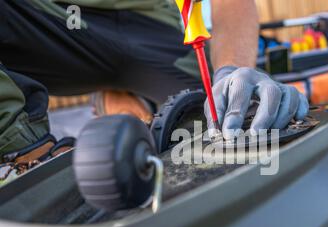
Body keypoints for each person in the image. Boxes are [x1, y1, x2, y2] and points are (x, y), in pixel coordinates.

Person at [0, 0, 309, 164]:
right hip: (44, 24)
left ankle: (136, 102)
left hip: (148, 27)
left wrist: (231, 72)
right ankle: (30, 156)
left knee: (215, 118)